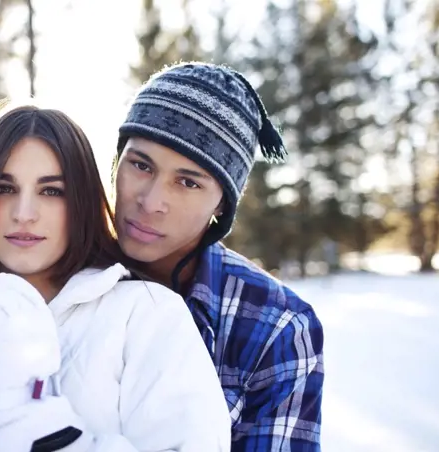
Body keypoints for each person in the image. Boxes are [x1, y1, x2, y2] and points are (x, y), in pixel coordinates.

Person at [0, 103, 232, 452]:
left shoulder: (148, 317)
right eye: (4, 188)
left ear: (80, 202)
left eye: (51, 191)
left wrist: (43, 427)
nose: (24, 213)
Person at [112, 62, 325, 451]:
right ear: (117, 162)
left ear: (222, 204)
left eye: (188, 181)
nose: (151, 201)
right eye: (141, 165)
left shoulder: (276, 327)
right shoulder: (59, 275)